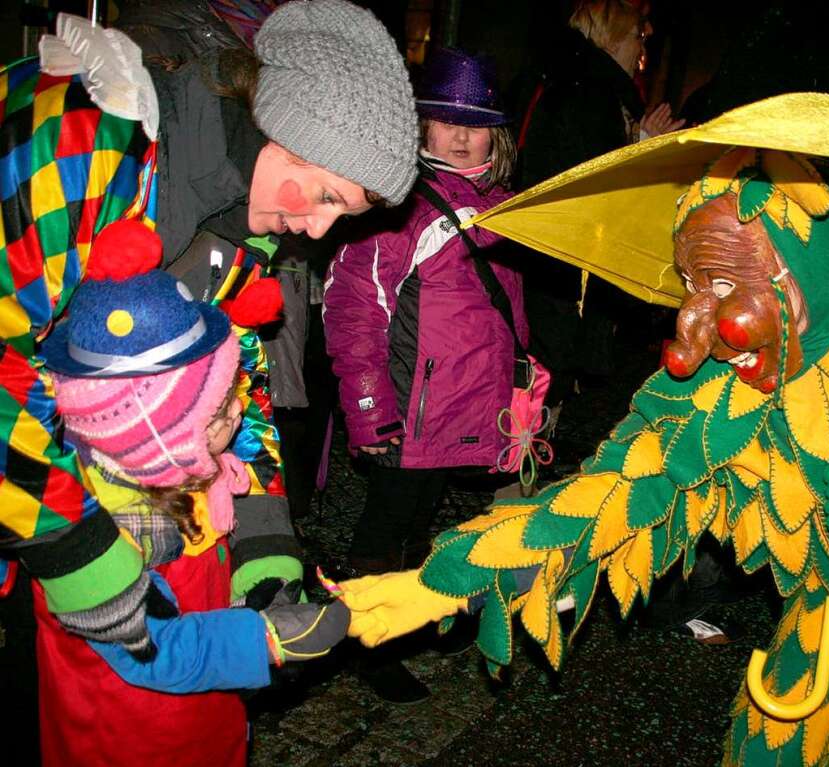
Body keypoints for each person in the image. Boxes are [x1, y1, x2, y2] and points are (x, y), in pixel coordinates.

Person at [335, 148, 829, 766]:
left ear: (807, 268)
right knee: (766, 745)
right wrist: (449, 578)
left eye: (723, 284)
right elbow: (617, 491)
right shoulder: (722, 389)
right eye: (691, 284)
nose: (694, 329)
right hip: (826, 617)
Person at [0, 0, 415, 672]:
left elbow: (229, 372)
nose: (316, 231)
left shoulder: (242, 216)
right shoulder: (85, 139)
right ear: (283, 132)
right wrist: (74, 552)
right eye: (328, 196)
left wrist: (264, 542)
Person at [35, 220, 349, 766]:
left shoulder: (184, 470)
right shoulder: (97, 530)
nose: (240, 410)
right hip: (128, 737)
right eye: (221, 406)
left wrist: (258, 585)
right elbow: (150, 649)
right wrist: (264, 640)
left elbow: (220, 555)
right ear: (152, 428)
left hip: (204, 719)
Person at [322, 47, 526, 702]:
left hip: (468, 399)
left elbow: (510, 307)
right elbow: (353, 311)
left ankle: (408, 613)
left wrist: (522, 377)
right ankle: (363, 639)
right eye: (444, 120)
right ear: (421, 127)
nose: (461, 135)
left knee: (421, 521)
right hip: (406, 402)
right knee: (384, 526)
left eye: (475, 122)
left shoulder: (508, 203)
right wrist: (366, 407)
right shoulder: (396, 204)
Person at [515, 0, 684, 423]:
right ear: (611, 38)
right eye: (636, 38)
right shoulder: (589, 92)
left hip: (555, 254)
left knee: (549, 361)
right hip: (561, 257)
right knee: (547, 361)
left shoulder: (580, 83)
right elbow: (598, 178)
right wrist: (643, 148)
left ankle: (525, 452)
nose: (641, 51)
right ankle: (519, 461)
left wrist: (641, 141)